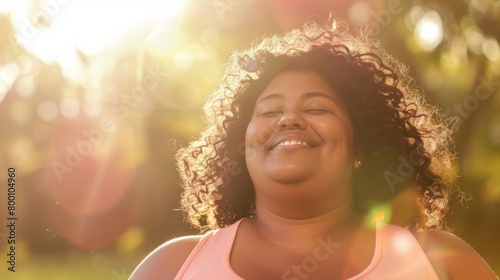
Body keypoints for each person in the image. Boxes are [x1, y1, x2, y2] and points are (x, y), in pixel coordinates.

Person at [129, 19, 498, 279]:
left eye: (317, 107)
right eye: (270, 110)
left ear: (361, 147)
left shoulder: (441, 264)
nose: (288, 120)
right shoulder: (170, 268)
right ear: (241, 149)